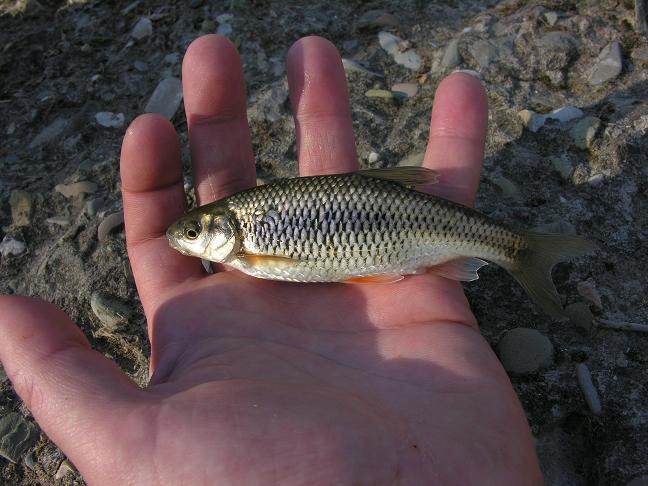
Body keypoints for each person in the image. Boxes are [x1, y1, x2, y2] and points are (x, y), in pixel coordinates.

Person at [0, 35, 542, 484]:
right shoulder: (250, 243)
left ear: (222, 229)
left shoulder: (254, 249)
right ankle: (514, 248)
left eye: (193, 233)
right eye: (189, 233)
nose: (183, 239)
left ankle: (519, 250)